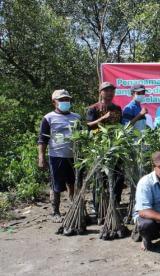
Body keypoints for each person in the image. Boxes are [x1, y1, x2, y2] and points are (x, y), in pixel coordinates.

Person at [38, 89, 81, 222]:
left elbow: (81, 137)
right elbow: (42, 140)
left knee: (73, 182)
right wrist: (41, 158)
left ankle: (73, 207)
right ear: (54, 102)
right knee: (56, 185)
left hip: (74, 156)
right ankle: (55, 211)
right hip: (56, 156)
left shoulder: (76, 117)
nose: (65, 102)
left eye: (67, 99)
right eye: (61, 100)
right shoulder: (48, 118)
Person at [86, 82, 125, 204]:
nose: (109, 93)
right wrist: (102, 119)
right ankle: (99, 204)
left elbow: (120, 126)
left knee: (119, 175)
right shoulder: (93, 108)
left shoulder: (117, 108)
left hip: (115, 145)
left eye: (111, 91)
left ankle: (115, 201)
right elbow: (88, 126)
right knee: (100, 176)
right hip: (99, 147)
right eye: (106, 90)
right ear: (100, 92)